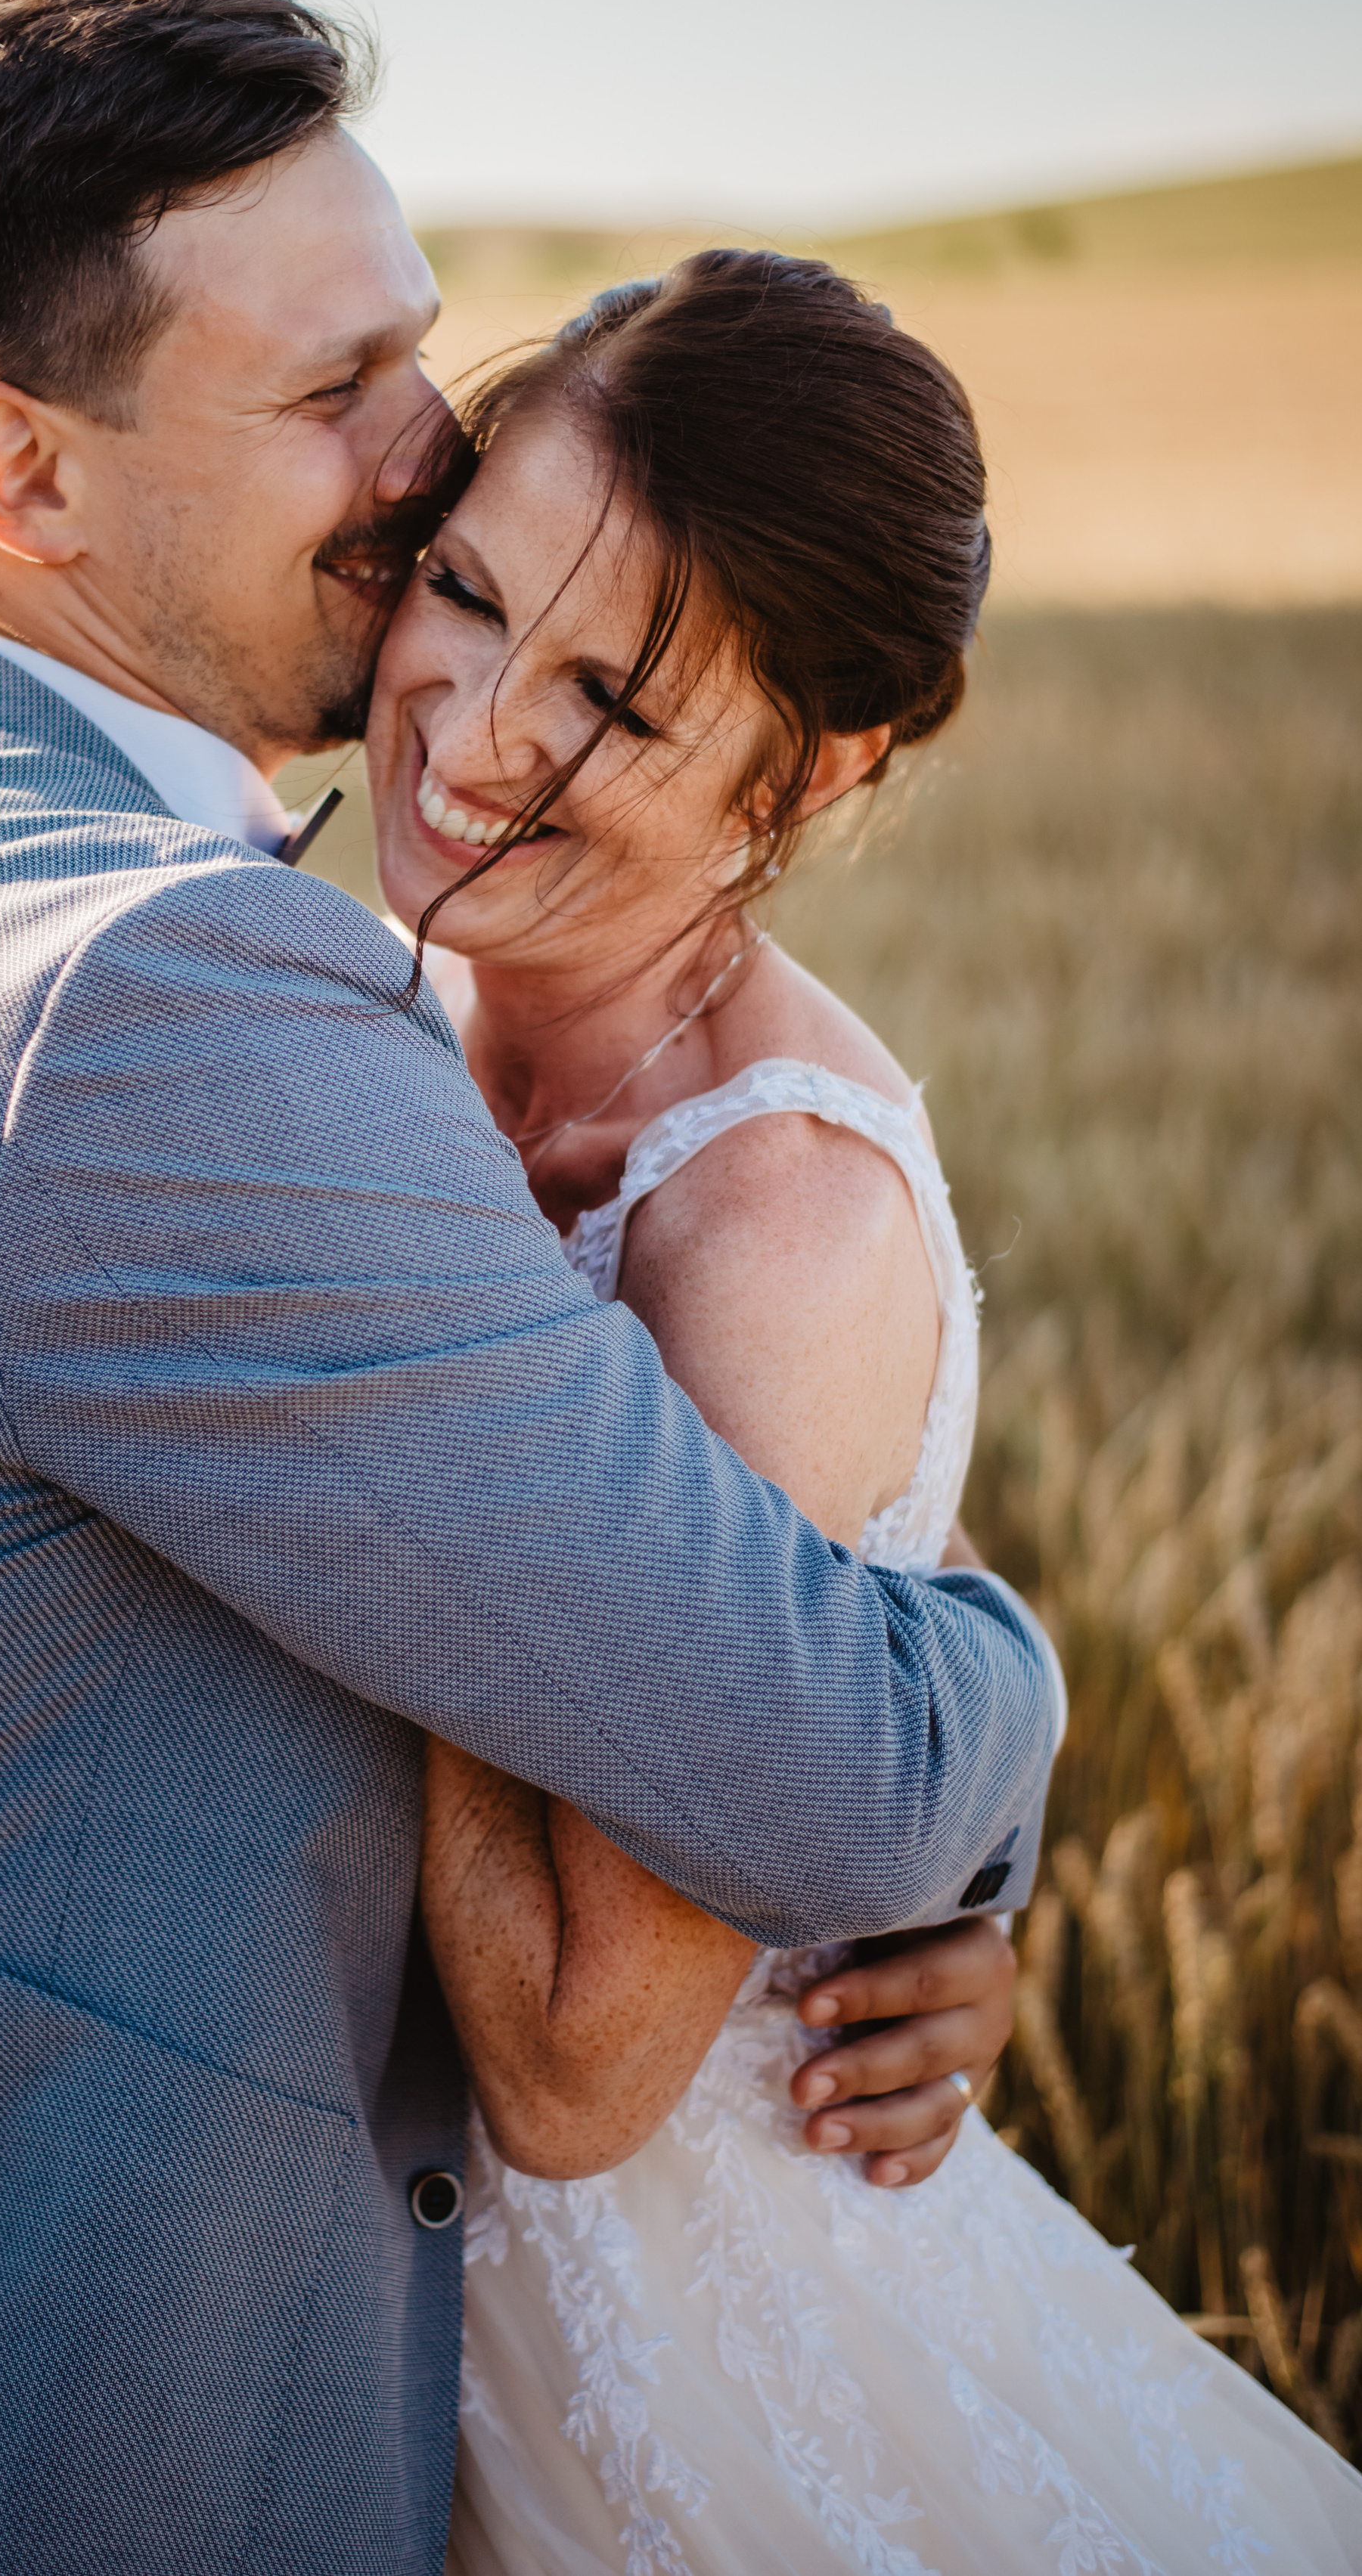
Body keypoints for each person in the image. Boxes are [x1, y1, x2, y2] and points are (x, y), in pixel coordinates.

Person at [0, 0, 1057, 2576]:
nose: (425, 449)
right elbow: (814, 1761)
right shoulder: (145, 997)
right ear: (29, 470)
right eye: (325, 389)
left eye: (414, 348)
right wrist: (998, 1676)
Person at [374, 256, 1362, 2572]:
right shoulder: (367, 978)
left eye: (611, 695)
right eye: (466, 587)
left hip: (681, 2365)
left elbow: (580, 2064)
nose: (476, 728)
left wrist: (413, 1373)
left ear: (810, 769)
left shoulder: (777, 1233)